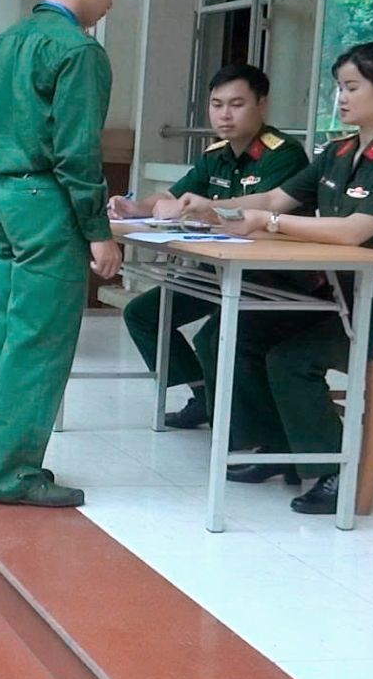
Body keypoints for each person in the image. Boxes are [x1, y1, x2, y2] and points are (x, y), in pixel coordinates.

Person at [176, 40, 373, 514]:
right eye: (340, 88)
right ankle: (277, 449)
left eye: (352, 87)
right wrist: (213, 208)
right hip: (335, 298)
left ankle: (337, 472)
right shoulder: (337, 153)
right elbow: (275, 199)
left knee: (292, 360)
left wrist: (270, 224)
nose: (342, 97)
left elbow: (354, 231)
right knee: (232, 335)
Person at [0, 0, 135, 508]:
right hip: (50, 204)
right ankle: (14, 473)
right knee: (40, 341)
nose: (111, 2)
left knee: (4, 331)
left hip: (5, 198)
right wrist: (99, 232)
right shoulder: (78, 52)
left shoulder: (2, 45)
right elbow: (77, 152)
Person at [107, 64, 309, 429]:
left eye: (236, 104)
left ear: (261, 105)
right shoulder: (216, 154)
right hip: (217, 269)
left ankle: (248, 426)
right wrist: (136, 207)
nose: (225, 115)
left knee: (212, 337)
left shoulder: (284, 154)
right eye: (217, 105)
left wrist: (208, 209)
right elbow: (173, 196)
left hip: (269, 275)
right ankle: (205, 397)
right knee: (144, 314)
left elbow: (264, 206)